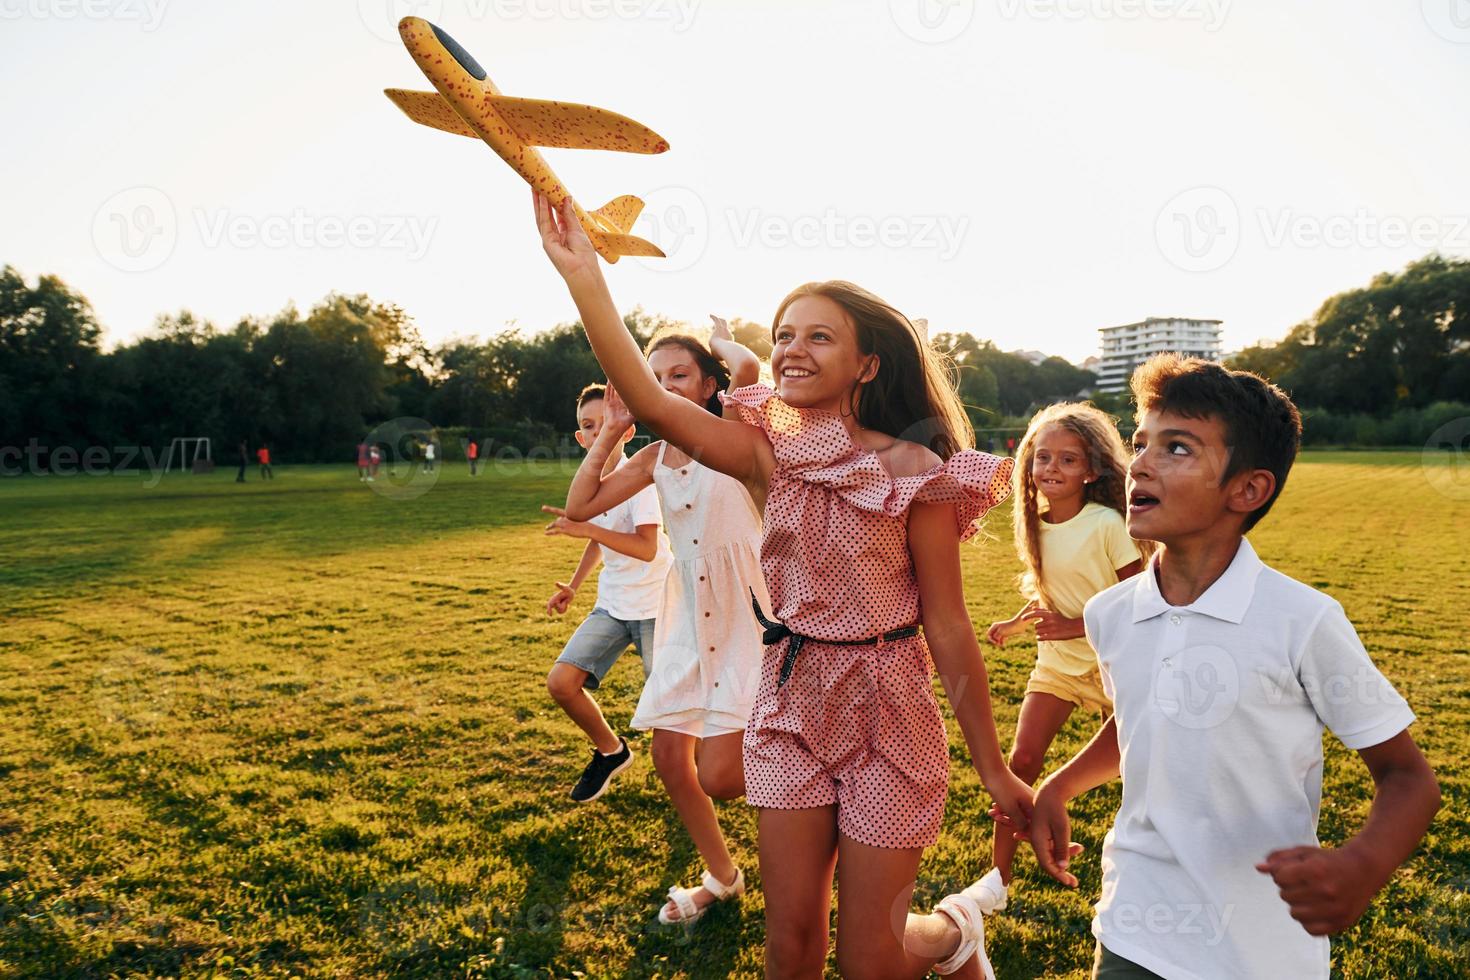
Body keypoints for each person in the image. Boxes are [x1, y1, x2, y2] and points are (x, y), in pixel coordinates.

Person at [535, 192, 1033, 978]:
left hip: (889, 708)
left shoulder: (917, 473)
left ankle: (950, 934)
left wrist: (993, 765)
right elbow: (657, 400)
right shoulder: (767, 456)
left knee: (871, 960)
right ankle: (949, 935)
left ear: (866, 363)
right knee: (790, 946)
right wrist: (585, 279)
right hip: (791, 698)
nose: (793, 349)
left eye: (819, 336)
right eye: (785, 334)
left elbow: (948, 628)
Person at [1018, 354, 1440, 979]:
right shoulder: (1109, 613)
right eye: (1140, 443)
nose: (1140, 464)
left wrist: (1364, 865)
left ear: (1248, 489)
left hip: (1261, 948)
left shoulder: (1303, 620)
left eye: (1178, 448)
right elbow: (1143, 721)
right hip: (1135, 925)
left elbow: (1409, 779)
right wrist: (1062, 783)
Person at [563, 319, 769, 926]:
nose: (663, 387)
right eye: (653, 379)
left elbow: (751, 371)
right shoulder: (653, 457)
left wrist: (728, 341)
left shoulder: (732, 434)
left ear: (710, 386)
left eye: (678, 375)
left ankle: (809, 827)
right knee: (668, 758)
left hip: (749, 610)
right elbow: (580, 506)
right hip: (685, 610)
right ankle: (722, 876)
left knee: (724, 773)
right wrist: (614, 431)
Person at [974, 403, 1147, 922]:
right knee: (1020, 764)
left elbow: (1138, 601)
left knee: (1136, 774)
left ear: (1092, 470)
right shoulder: (1036, 525)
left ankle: (1134, 877)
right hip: (1056, 667)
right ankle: (996, 882)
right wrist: (1018, 621)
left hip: (1112, 666)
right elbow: (1059, 593)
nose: (1051, 468)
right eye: (1041, 457)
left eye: (1068, 460)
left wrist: (1075, 627)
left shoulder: (1108, 524)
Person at [544, 383, 673, 804]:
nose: (599, 433)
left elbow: (646, 547)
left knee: (670, 711)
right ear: (581, 438)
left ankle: (696, 778)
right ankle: (611, 751)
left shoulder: (640, 481)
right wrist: (574, 585)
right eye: (588, 426)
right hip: (613, 605)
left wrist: (588, 527)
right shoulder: (590, 485)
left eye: (607, 424)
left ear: (626, 430)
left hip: (658, 606)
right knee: (562, 682)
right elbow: (599, 540)